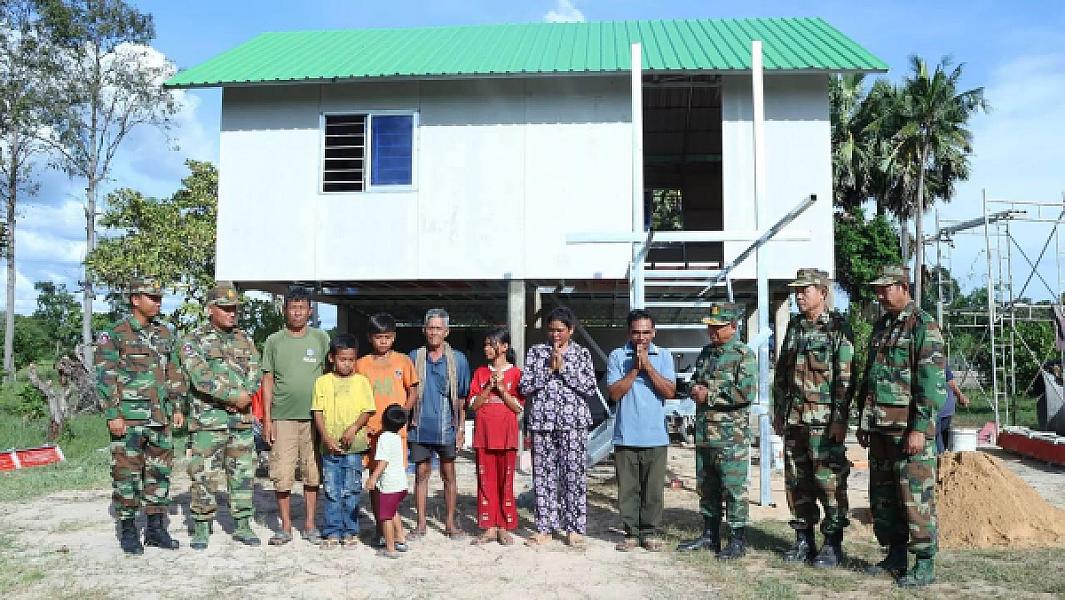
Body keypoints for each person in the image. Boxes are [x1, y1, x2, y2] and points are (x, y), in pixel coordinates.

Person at [857, 265, 946, 587]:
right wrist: (864, 421)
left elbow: (932, 383)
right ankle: (894, 555)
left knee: (915, 497)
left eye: (885, 288)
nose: (880, 294)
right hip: (881, 428)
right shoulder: (882, 326)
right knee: (884, 497)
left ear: (903, 287)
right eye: (877, 289)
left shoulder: (923, 325)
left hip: (909, 432)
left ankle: (924, 562)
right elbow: (871, 377)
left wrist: (919, 428)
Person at [95, 277, 185, 554]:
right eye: (152, 298)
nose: (158, 302)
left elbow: (174, 372)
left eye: (159, 298)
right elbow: (105, 377)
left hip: (160, 418)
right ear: (135, 300)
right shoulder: (116, 334)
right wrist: (113, 414)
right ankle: (128, 530)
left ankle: (156, 529)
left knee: (159, 474)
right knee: (127, 475)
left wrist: (178, 406)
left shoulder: (165, 334)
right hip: (129, 419)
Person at [772, 268, 855, 567]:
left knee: (829, 482)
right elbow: (781, 373)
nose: (798, 296)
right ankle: (803, 540)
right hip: (795, 419)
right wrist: (779, 412)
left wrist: (839, 419)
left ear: (822, 292)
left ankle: (832, 544)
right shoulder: (795, 327)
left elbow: (845, 380)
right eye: (796, 291)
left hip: (823, 422)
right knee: (797, 482)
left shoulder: (837, 328)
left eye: (804, 291)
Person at [178, 282, 263, 549]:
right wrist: (231, 397)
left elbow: (255, 370)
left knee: (243, 473)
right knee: (203, 474)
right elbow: (200, 377)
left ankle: (242, 525)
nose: (231, 313)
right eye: (225, 308)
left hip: (241, 420)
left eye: (234, 308)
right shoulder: (193, 341)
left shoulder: (244, 339)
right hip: (208, 422)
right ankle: (202, 526)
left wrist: (245, 396)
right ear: (210, 309)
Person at [676, 302, 756, 560]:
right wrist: (692, 389)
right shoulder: (707, 353)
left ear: (733, 327)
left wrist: (708, 395)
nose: (712, 332)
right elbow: (696, 381)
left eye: (718, 327)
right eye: (710, 327)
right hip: (705, 433)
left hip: (731, 436)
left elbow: (745, 392)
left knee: (733, 488)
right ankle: (709, 536)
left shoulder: (743, 355)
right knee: (707, 486)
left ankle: (736, 541)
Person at [519, 306, 597, 547]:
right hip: (542, 423)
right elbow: (525, 386)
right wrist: (548, 370)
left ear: (571, 330)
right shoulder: (536, 353)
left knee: (573, 476)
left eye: (560, 330)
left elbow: (590, 387)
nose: (555, 335)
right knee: (543, 476)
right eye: (551, 330)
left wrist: (564, 368)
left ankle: (574, 528)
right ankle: (545, 526)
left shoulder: (582, 354)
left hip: (573, 424)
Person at [261, 286, 330, 546]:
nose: (298, 312)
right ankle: (286, 527)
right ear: (285, 310)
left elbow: (329, 375)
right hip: (282, 417)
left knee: (312, 473)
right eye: (293, 307)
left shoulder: (321, 338)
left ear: (310, 311)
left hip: (315, 418)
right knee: (282, 472)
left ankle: (310, 524)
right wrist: (267, 419)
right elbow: (267, 379)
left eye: (302, 307)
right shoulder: (274, 341)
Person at [605, 309, 676, 552]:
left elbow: (669, 391)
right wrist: (635, 369)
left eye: (646, 332)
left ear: (654, 332)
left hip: (655, 435)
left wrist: (648, 367)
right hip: (626, 434)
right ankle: (631, 533)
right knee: (628, 489)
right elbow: (613, 393)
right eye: (636, 332)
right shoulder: (617, 356)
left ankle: (650, 532)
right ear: (629, 333)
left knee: (653, 490)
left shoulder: (664, 355)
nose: (641, 338)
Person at [408, 308, 471, 540]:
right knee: (421, 473)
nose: (434, 333)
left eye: (438, 328)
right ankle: (421, 523)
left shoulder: (459, 360)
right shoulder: (414, 357)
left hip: (447, 427)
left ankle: (450, 523)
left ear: (447, 332)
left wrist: (461, 428)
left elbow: (462, 398)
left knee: (449, 474)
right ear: (424, 330)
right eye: (430, 328)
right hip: (419, 426)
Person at [356, 313, 418, 546]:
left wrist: (402, 415)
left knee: (393, 481)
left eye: (387, 337)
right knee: (375, 480)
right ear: (370, 338)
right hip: (372, 432)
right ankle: (381, 530)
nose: (383, 341)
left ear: (394, 337)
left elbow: (413, 391)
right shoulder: (361, 364)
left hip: (395, 435)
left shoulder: (403, 362)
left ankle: (393, 527)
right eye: (378, 337)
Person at [312, 333, 376, 547]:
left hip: (354, 447)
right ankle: (332, 530)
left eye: (351, 359)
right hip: (329, 447)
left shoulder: (361, 382)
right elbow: (317, 413)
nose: (347, 364)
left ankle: (350, 530)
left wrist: (354, 428)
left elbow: (367, 409)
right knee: (331, 489)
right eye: (343, 359)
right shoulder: (322, 382)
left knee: (351, 489)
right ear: (332, 358)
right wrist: (326, 437)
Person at [467, 327, 525, 545]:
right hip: (484, 435)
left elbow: (518, 407)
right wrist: (487, 388)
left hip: (507, 436)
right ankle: (489, 527)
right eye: (485, 344)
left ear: (504, 347)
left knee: (505, 482)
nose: (486, 348)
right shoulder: (480, 373)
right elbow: (474, 404)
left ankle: (504, 526)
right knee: (485, 481)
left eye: (491, 344)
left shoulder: (517, 374)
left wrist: (501, 389)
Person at [366, 404, 411, 559]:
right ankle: (401, 539)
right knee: (393, 512)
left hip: (389, 486)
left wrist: (372, 478)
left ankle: (390, 548)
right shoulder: (397, 438)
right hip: (401, 484)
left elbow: (383, 462)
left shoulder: (384, 438)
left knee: (385, 516)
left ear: (383, 421)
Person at [936, 366, 970, 454]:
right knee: (941, 439)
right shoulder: (941, 360)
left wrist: (960, 395)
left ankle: (942, 459)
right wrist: (960, 395)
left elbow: (950, 381)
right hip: (946, 407)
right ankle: (943, 458)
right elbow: (950, 381)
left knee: (938, 439)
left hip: (937, 408)